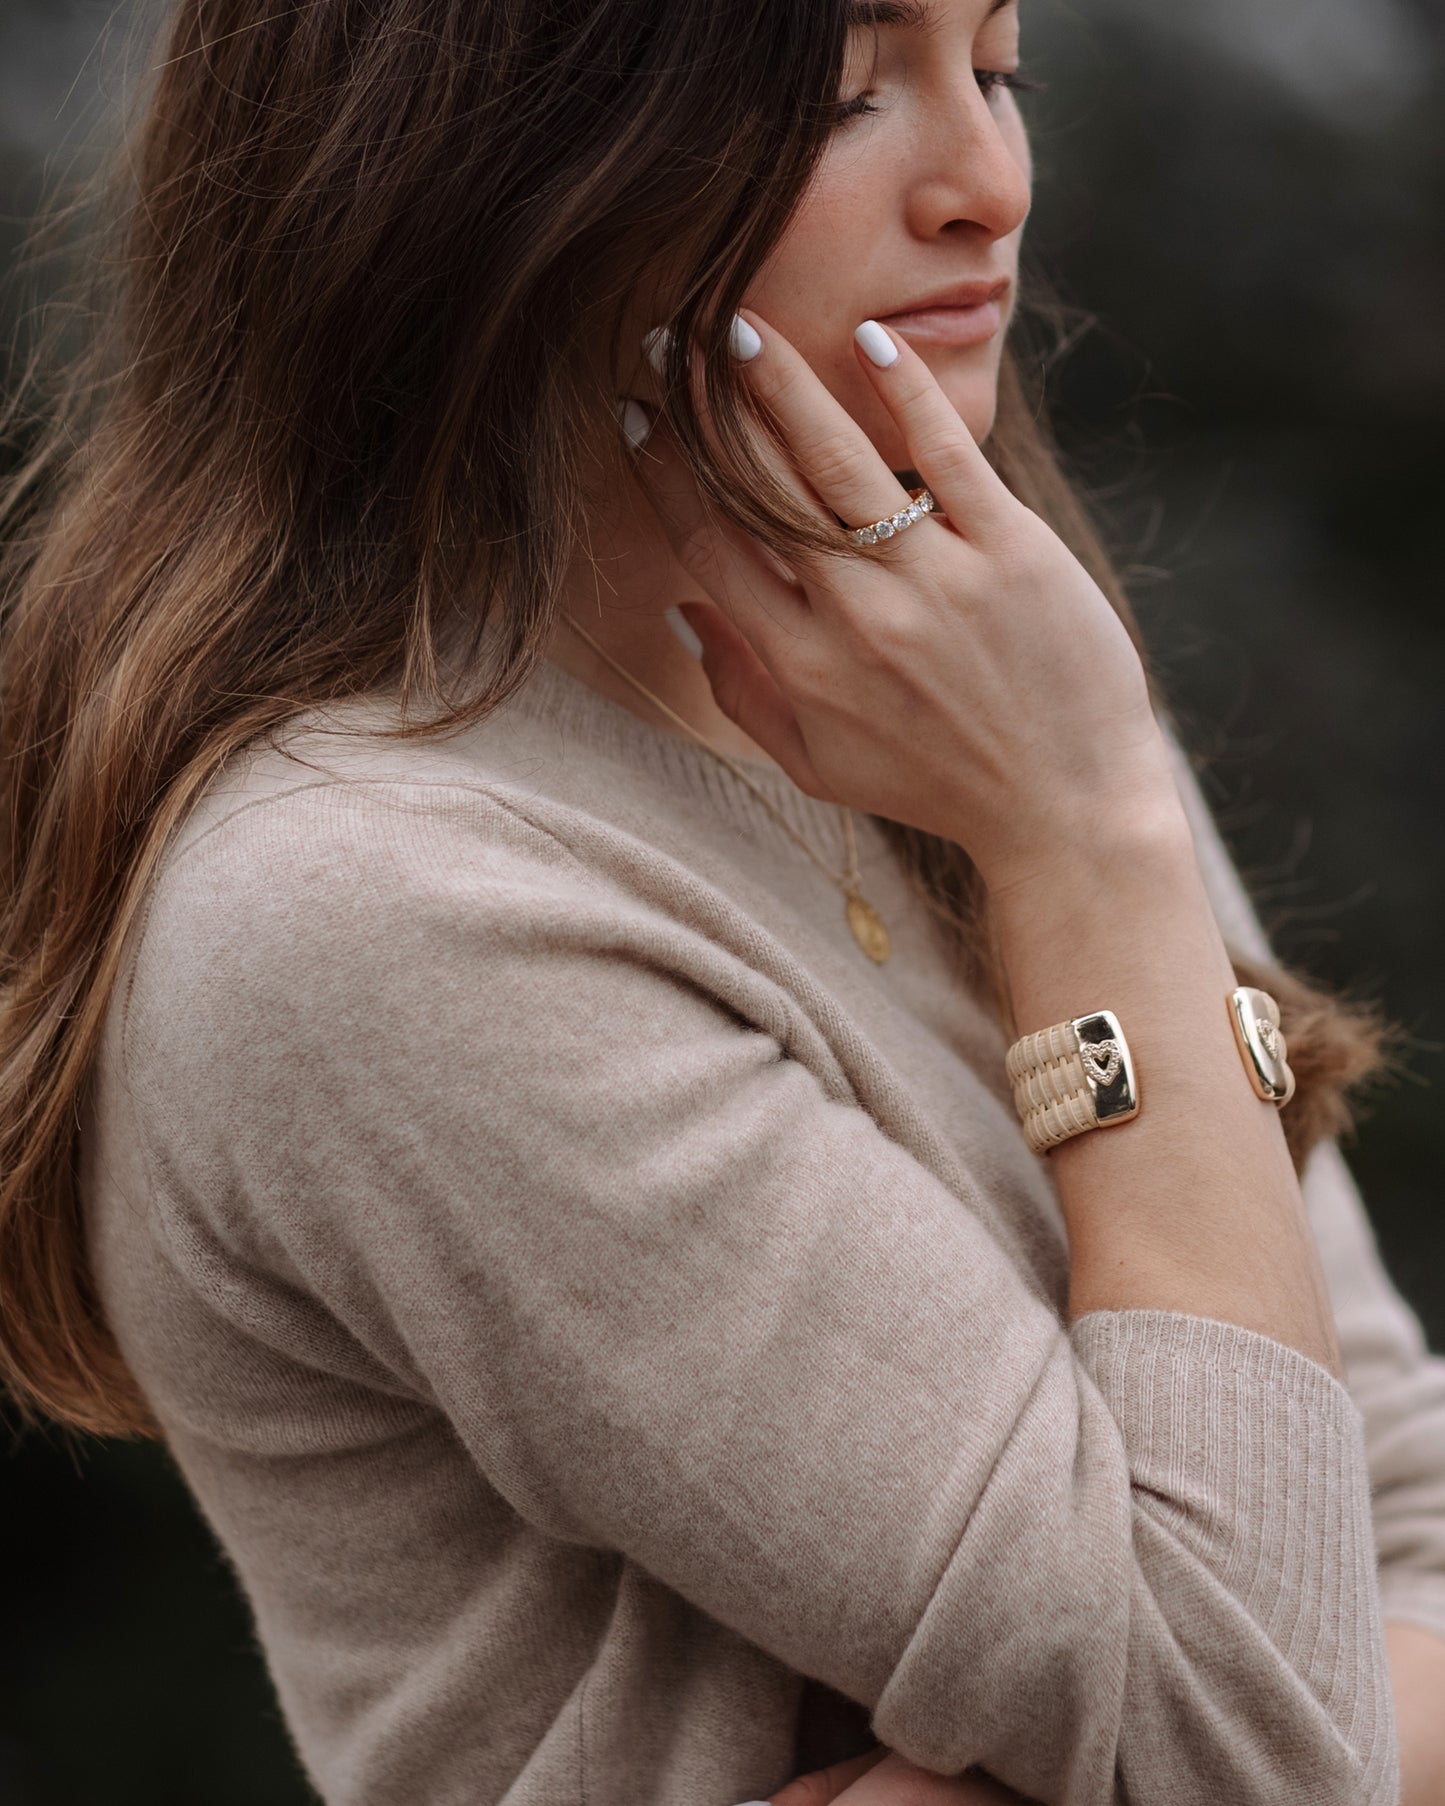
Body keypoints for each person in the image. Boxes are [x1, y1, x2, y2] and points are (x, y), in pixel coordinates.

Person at [0, 0, 1443, 1801]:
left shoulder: (992, 697)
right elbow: (1252, 1731)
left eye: (995, 69)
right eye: (845, 93)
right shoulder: (375, 909)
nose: (984, 181)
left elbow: (1387, 1522)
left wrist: (1085, 831)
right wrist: (1084, 844)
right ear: (491, 163)